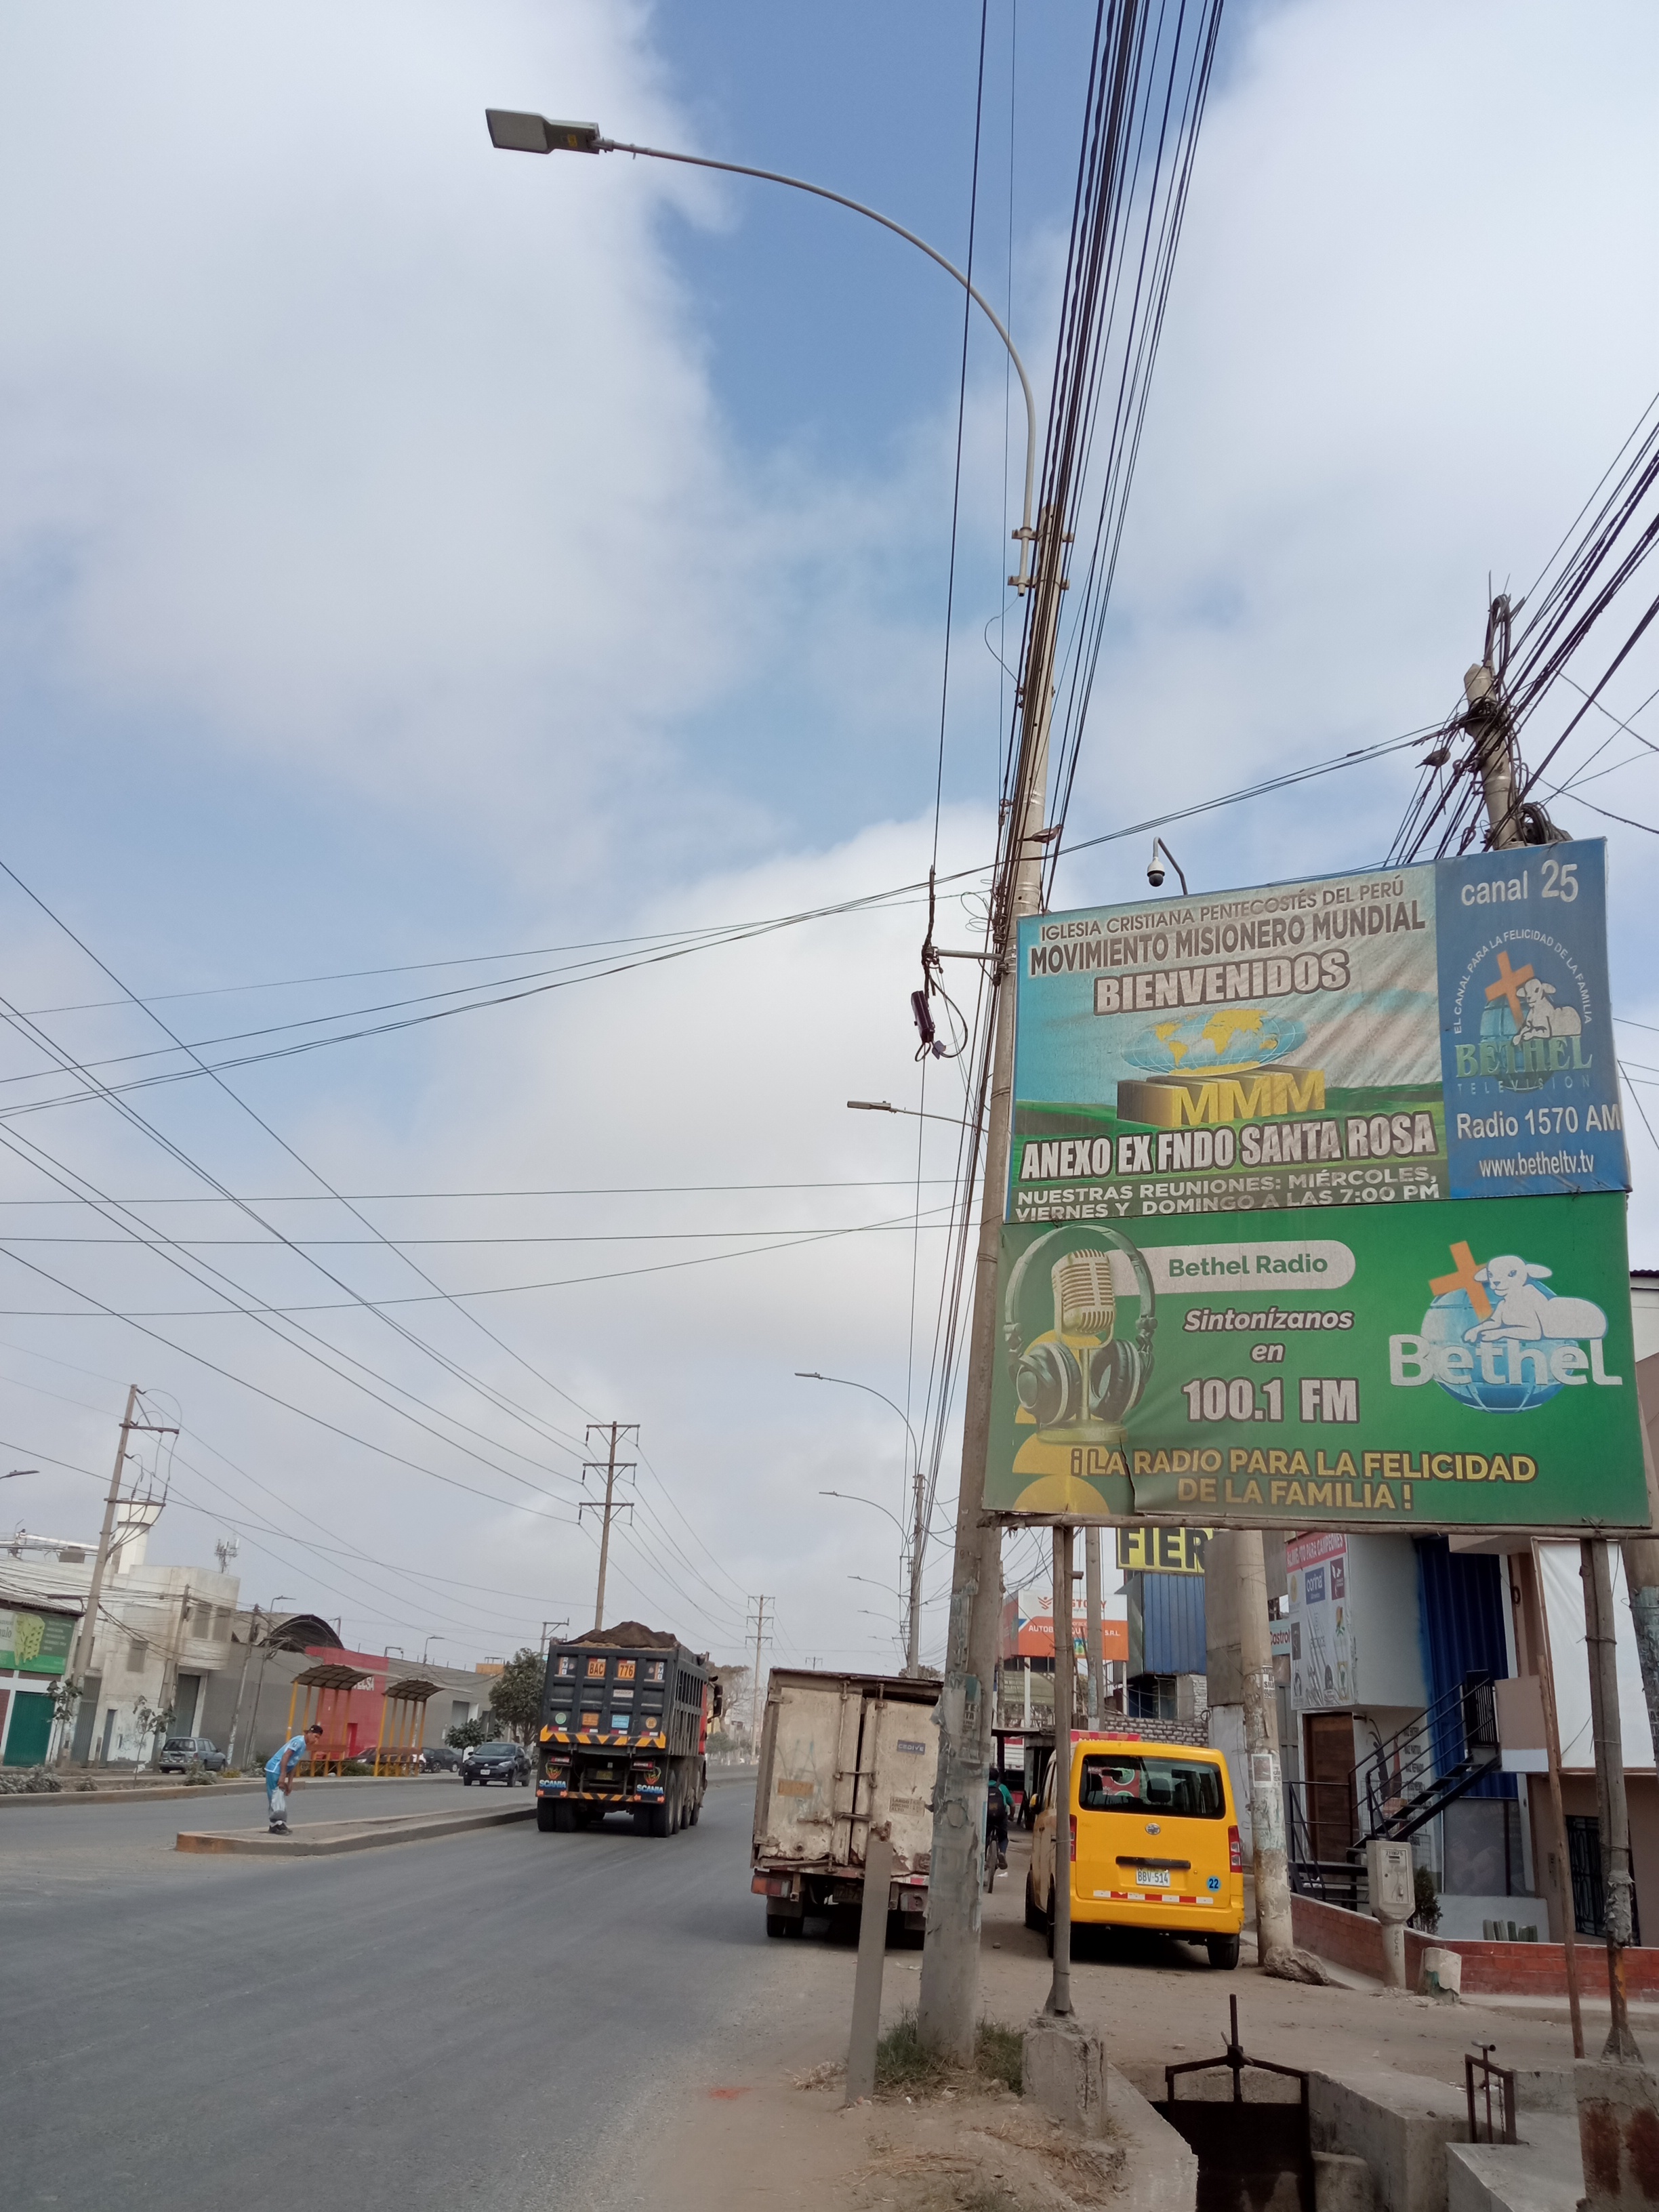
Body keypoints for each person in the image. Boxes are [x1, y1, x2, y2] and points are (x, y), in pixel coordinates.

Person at [266, 1723, 323, 1833]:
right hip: (274, 1769)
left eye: (318, 1738)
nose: (316, 1740)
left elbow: (293, 1762)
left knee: (279, 1796)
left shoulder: (304, 1745)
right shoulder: (299, 1741)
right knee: (275, 1796)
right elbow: (286, 1756)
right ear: (310, 1733)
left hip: (281, 1771)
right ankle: (274, 1825)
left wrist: (290, 1782)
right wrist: (283, 1776)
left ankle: (279, 1823)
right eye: (315, 1737)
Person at [987, 1771, 1012, 1870]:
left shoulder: (983, 1787)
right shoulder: (1002, 1788)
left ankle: (983, 1857)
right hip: (1000, 1818)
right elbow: (1013, 1805)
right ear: (997, 1778)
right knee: (1003, 1837)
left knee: (984, 1837)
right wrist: (1011, 1816)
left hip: (987, 1817)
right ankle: (1002, 1853)